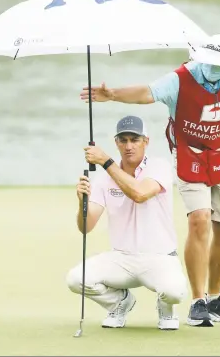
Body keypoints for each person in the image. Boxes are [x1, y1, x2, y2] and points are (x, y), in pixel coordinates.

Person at [80, 34, 220, 327]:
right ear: (201, 57)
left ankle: (215, 298)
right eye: (213, 62)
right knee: (199, 218)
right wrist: (112, 94)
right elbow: (147, 93)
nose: (217, 67)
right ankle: (198, 301)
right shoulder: (181, 78)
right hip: (189, 154)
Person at [66, 115, 188, 330]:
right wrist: (81, 203)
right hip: (121, 258)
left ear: (146, 142)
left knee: (174, 292)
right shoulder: (104, 179)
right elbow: (86, 227)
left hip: (159, 256)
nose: (129, 146)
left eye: (135, 139)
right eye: (123, 140)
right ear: (117, 143)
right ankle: (120, 302)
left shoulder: (159, 166)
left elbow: (139, 193)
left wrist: (105, 161)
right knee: (76, 279)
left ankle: (165, 306)